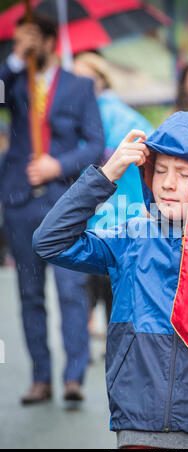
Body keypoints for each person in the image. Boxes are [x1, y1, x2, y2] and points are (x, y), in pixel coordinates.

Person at [32, 112, 188, 448]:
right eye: (160, 170)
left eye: (184, 174)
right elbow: (49, 242)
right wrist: (106, 174)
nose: (168, 183)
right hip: (140, 421)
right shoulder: (129, 237)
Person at [0, 13, 105, 404]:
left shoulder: (79, 86)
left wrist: (57, 165)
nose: (24, 43)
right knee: (30, 294)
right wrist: (14, 60)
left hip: (63, 202)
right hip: (19, 202)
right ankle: (40, 378)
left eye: (29, 37)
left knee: (70, 290)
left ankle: (73, 376)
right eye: (17, 37)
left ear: (48, 40)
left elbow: (95, 144)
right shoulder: (13, 82)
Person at [73, 53, 154, 339]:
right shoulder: (83, 110)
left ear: (101, 77)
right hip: (105, 206)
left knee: (106, 272)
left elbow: (148, 142)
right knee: (100, 273)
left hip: (116, 205)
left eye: (84, 74)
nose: (77, 81)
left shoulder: (114, 112)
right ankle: (105, 329)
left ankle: (111, 331)